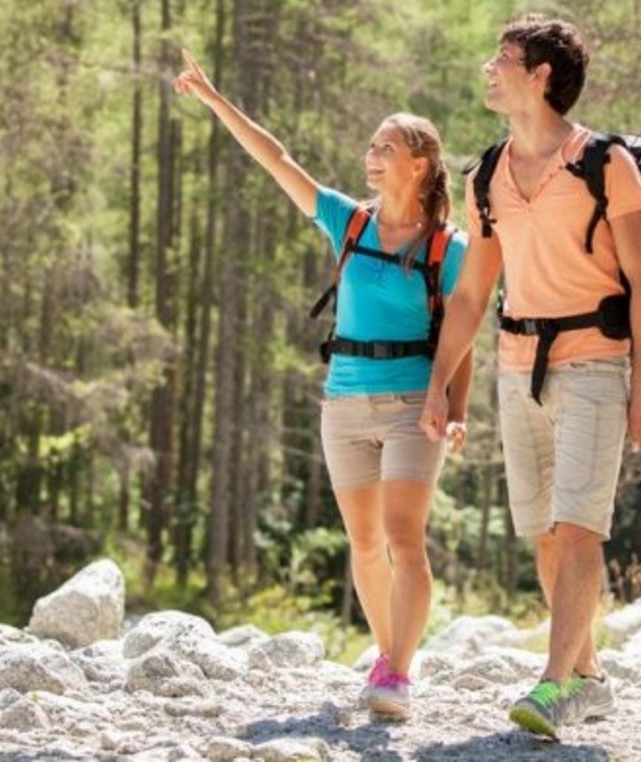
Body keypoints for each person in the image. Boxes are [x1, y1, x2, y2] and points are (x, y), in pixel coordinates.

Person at [173, 50, 473, 722]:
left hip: (410, 406)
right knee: (364, 543)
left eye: (385, 147)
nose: (371, 156)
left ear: (420, 164)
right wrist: (216, 100)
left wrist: (455, 409)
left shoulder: (447, 248)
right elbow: (276, 160)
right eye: (370, 145)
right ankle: (387, 656)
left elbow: (463, 335)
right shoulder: (351, 221)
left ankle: (396, 671)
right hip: (343, 402)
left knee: (403, 537)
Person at [417, 16, 641, 739]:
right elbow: (470, 294)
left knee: (579, 525)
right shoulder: (486, 175)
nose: (488, 68)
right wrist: (439, 382)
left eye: (503, 59)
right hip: (517, 365)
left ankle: (554, 683)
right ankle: (587, 678)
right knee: (546, 534)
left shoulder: (604, 163)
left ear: (542, 76)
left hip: (595, 363)